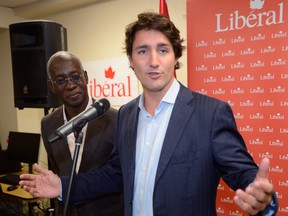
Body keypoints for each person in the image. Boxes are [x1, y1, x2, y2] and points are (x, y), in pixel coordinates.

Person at [20, 12, 277, 216]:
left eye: (163, 50)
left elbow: (242, 173)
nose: (153, 61)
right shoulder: (127, 114)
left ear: (175, 57)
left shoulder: (210, 113)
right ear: (131, 60)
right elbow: (115, 174)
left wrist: (260, 194)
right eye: (142, 51)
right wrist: (63, 186)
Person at [41, 51, 123, 216]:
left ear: (85, 77)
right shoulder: (48, 124)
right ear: (52, 86)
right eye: (61, 80)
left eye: (76, 77)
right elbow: (58, 170)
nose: (71, 85)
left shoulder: (116, 120)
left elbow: (119, 177)